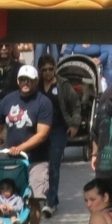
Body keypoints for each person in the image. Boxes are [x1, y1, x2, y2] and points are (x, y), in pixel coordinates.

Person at [0, 63, 55, 208]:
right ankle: (15, 221)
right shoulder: (8, 100)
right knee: (10, 196)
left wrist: (20, 148)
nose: (26, 83)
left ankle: (34, 223)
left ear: (36, 81)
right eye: (22, 79)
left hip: (37, 159)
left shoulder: (43, 102)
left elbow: (42, 134)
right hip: (12, 159)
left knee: (34, 198)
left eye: (29, 80)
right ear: (17, 81)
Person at [36, 56, 67, 213]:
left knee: (54, 166)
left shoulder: (63, 85)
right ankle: (40, 195)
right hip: (40, 131)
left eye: (50, 69)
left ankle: (51, 202)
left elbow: (75, 105)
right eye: (44, 70)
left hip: (58, 129)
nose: (48, 72)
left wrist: (74, 124)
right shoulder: (36, 86)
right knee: (40, 166)